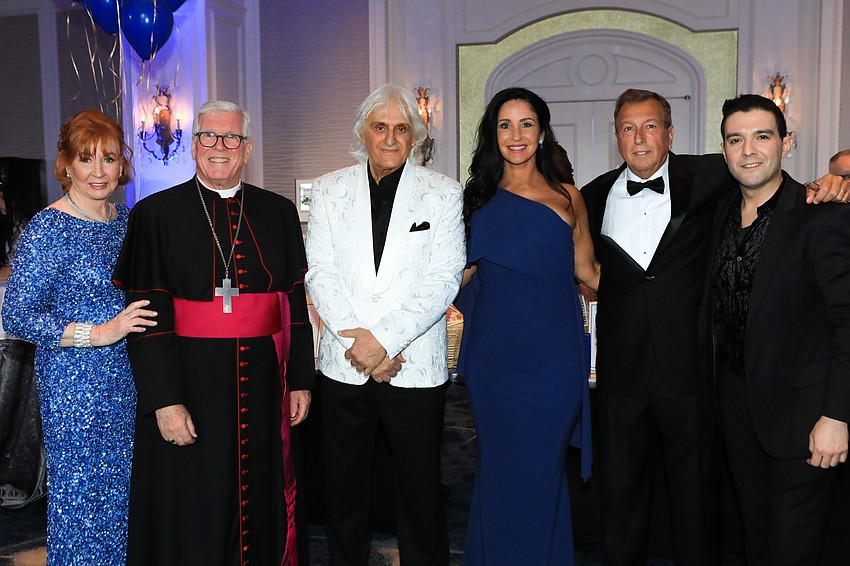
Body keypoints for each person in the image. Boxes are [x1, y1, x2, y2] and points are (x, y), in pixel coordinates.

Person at [581, 88, 850, 566]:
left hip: (725, 384)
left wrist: (832, 182)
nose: (640, 139)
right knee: (652, 507)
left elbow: (842, 316)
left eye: (650, 126)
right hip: (655, 378)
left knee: (718, 513)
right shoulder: (594, 195)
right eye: (628, 128)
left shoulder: (712, 179)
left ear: (670, 133)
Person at [112, 100, 315, 565]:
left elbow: (294, 304)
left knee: (261, 491)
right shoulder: (156, 213)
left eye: (231, 139)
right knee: (194, 499)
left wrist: (300, 379)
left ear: (247, 149)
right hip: (190, 383)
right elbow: (147, 317)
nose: (219, 147)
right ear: (192, 145)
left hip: (264, 385)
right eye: (208, 137)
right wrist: (164, 400)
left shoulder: (277, 211)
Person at [305, 84, 465, 566]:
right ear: (362, 133)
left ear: (414, 136)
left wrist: (385, 343)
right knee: (344, 494)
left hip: (413, 366)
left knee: (419, 495)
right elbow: (320, 272)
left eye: (401, 129)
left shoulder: (443, 192)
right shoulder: (329, 189)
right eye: (380, 128)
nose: (391, 139)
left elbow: (444, 278)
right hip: (345, 364)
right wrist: (362, 345)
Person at [1, 109, 157, 565]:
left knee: (124, 497)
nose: (98, 171)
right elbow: (18, 316)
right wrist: (102, 333)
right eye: (86, 159)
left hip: (129, 382)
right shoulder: (47, 229)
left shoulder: (125, 221)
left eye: (109, 159)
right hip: (75, 387)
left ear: (122, 165)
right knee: (82, 505)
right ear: (66, 164)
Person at [457, 87, 598, 565]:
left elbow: (589, 273)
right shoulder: (475, 201)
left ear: (542, 132)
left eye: (526, 124)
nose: (515, 135)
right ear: (492, 135)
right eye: (504, 125)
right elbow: (456, 278)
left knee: (541, 471)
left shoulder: (568, 198)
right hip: (494, 362)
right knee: (499, 471)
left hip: (555, 363)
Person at [707, 93, 850, 566]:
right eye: (736, 139)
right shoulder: (718, 214)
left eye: (762, 136)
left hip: (805, 416)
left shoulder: (822, 214)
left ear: (786, 144)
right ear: (724, 150)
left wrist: (837, 416)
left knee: (792, 548)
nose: (749, 150)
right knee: (756, 540)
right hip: (736, 406)